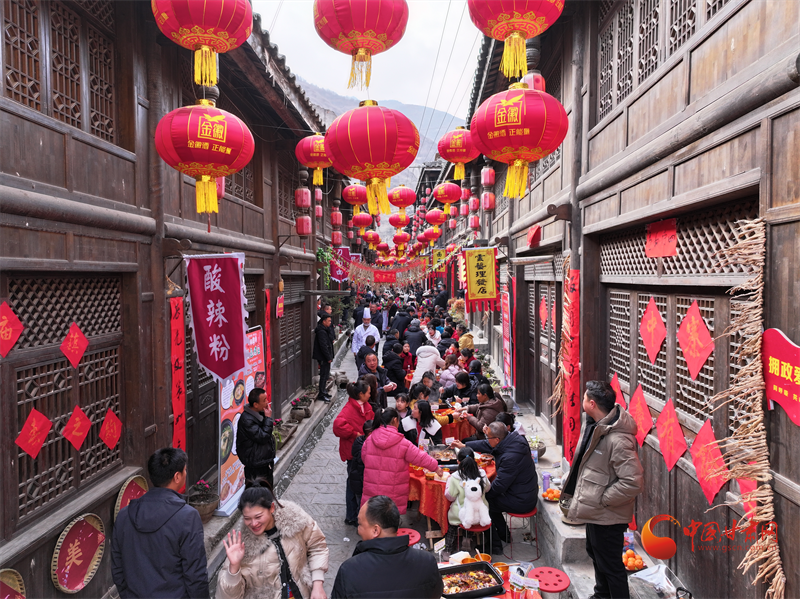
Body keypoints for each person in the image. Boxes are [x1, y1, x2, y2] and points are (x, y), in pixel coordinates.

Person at [561, 381, 644, 599]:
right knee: (595, 553)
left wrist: (604, 499)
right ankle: (601, 595)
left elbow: (633, 482)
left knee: (611, 566)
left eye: (584, 397)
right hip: (596, 510)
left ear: (591, 404)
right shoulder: (596, 426)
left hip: (608, 514)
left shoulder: (618, 439)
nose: (582, 400)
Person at [111, 448, 209, 599]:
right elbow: (195, 574)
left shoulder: (124, 515)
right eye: (185, 470)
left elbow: (118, 569)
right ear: (177, 476)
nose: (186, 473)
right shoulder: (187, 517)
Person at [218, 482, 329, 599]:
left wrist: (317, 584)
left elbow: (318, 546)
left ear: (271, 508)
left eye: (258, 517)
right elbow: (226, 596)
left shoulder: (296, 520)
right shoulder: (241, 544)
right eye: (247, 518)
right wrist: (234, 568)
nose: (253, 523)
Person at [331, 496, 444, 599]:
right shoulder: (427, 562)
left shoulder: (349, 570)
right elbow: (436, 593)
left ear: (376, 530)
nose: (358, 530)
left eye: (360, 524)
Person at [451, 422, 538, 554]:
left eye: (488, 437)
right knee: (490, 500)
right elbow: (487, 444)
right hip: (523, 492)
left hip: (522, 500)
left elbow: (499, 486)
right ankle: (504, 535)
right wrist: (465, 445)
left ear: (497, 439)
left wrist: (481, 496)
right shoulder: (513, 439)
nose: (487, 440)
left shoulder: (510, 458)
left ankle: (494, 545)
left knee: (485, 503)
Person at [360, 407, 442, 514]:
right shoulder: (402, 443)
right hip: (393, 492)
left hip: (372, 490)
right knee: (390, 518)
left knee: (373, 516)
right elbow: (420, 457)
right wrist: (436, 468)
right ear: (395, 420)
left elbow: (364, 458)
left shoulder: (369, 440)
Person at [334, 381, 376, 526]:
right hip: (353, 452)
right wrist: (355, 434)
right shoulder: (348, 409)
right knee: (353, 483)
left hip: (362, 450)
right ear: (361, 394)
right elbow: (337, 426)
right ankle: (351, 515)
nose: (370, 394)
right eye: (368, 392)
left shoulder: (365, 406)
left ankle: (357, 513)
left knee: (358, 483)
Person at [443, 447, 491, 553]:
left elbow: (450, 496)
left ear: (458, 462)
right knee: (471, 513)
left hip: (461, 515)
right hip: (481, 513)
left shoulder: (455, 477)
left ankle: (448, 549)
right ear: (474, 460)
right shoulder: (482, 474)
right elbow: (487, 488)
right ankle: (467, 540)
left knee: (453, 523)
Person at [237, 388, 276, 487]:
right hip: (255, 463)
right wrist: (268, 418)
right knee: (257, 492)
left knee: (267, 489)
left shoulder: (259, 413)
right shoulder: (247, 420)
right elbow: (262, 437)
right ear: (255, 405)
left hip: (263, 461)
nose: (267, 402)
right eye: (264, 400)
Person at [348, 420, 374, 509]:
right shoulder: (364, 447)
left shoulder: (358, 441)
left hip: (358, 482)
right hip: (360, 484)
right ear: (370, 433)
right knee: (362, 507)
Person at [313, 314, 335, 402]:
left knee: (326, 375)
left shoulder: (326, 329)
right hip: (323, 357)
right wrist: (328, 357)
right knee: (323, 375)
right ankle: (321, 393)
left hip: (326, 356)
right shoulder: (321, 331)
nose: (330, 322)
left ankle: (324, 391)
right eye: (328, 321)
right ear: (324, 321)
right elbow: (323, 346)